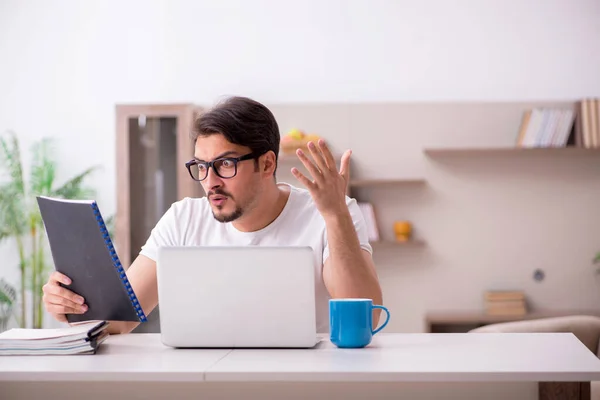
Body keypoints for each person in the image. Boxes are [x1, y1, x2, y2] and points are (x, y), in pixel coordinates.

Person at [42, 96, 384, 334]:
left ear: (266, 163)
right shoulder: (182, 219)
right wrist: (71, 305)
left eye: (225, 164)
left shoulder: (331, 213)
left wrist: (335, 216)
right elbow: (120, 320)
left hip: (304, 383)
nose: (210, 182)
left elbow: (365, 317)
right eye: (201, 167)